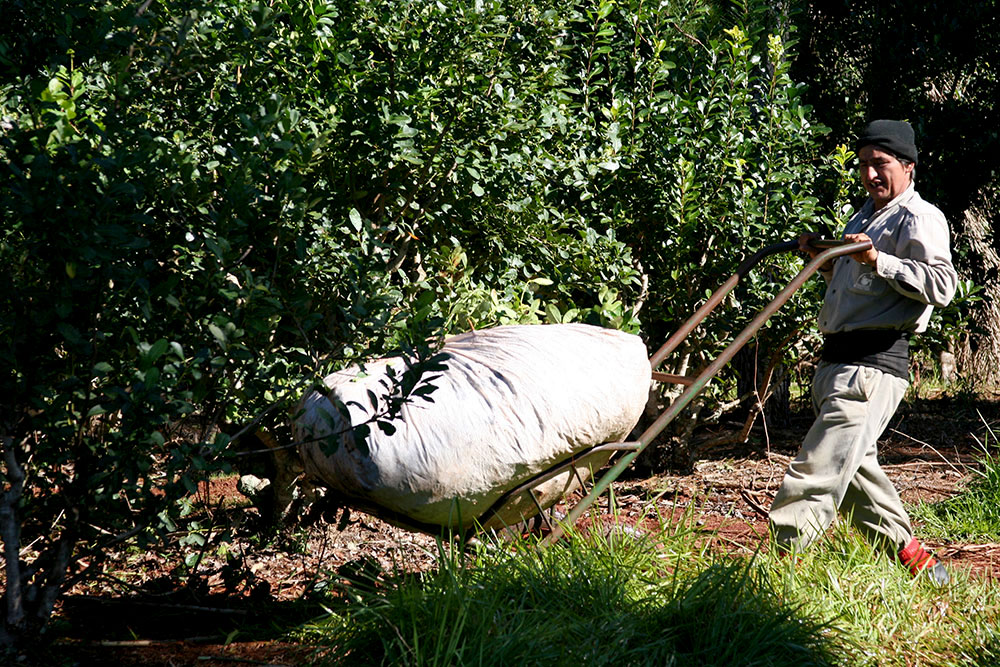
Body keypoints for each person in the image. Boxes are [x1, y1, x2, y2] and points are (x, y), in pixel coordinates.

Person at [768, 119, 959, 585]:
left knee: (817, 469)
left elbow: (942, 285)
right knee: (854, 474)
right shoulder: (863, 218)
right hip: (837, 361)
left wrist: (878, 259)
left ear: (908, 167)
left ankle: (774, 578)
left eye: (882, 164)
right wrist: (819, 256)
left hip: (872, 366)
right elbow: (855, 290)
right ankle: (919, 563)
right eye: (864, 165)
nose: (871, 174)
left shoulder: (919, 217)